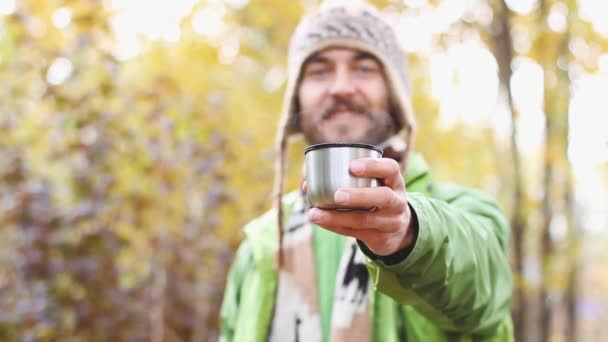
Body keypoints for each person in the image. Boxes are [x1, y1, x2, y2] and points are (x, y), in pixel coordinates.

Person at [220, 2, 514, 341]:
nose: (341, 87)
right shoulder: (260, 245)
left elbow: (486, 298)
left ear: (394, 96)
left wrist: (410, 235)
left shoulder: (465, 213)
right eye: (319, 71)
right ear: (296, 100)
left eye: (364, 69)